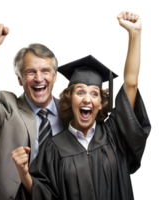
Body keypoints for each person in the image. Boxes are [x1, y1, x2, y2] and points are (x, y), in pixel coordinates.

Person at [11, 10, 152, 200]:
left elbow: (131, 83)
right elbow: (42, 195)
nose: (87, 99)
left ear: (101, 103)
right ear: (69, 100)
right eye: (80, 92)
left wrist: (135, 35)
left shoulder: (114, 134)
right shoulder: (52, 149)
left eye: (94, 94)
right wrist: (24, 174)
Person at [0, 23, 67, 200]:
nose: (39, 78)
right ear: (19, 80)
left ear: (56, 77)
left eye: (45, 71)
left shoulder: (70, 113)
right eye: (30, 72)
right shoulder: (7, 108)